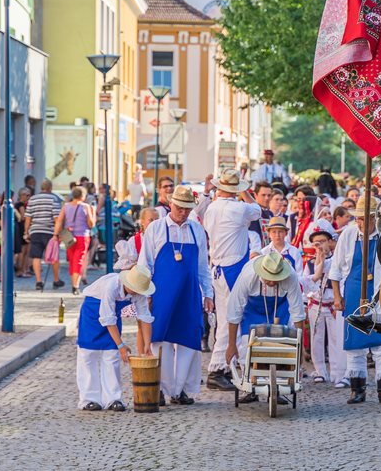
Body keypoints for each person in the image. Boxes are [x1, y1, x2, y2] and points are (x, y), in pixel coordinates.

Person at [142, 185, 214, 405]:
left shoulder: (197, 230)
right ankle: (161, 389)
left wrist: (208, 293)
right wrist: (145, 293)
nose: (183, 212)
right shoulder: (155, 228)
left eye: (187, 208)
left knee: (188, 339)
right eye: (179, 207)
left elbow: (203, 265)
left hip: (189, 291)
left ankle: (180, 389)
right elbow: (145, 263)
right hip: (161, 292)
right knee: (159, 339)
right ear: (171, 204)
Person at [200, 168, 261, 393]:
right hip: (233, 267)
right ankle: (219, 369)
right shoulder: (238, 207)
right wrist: (245, 191)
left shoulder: (212, 208)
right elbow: (257, 211)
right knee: (231, 318)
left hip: (218, 266)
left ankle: (223, 366)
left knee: (226, 318)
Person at [330, 207, 381, 404]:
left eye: (365, 219)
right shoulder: (348, 235)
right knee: (355, 344)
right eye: (358, 219)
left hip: (378, 293)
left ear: (374, 218)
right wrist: (337, 296)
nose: (361, 223)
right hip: (353, 292)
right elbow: (335, 268)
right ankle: (357, 389)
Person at [224, 249, 308, 404]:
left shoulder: (291, 277)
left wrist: (299, 347)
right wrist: (231, 345)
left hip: (279, 308)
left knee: (282, 347)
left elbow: (297, 312)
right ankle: (251, 383)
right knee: (246, 347)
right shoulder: (248, 275)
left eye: (275, 278)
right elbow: (234, 310)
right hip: (253, 309)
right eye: (268, 278)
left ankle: (278, 387)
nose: (271, 281)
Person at [75, 262, 155, 413]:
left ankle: (113, 398)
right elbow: (107, 317)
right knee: (88, 355)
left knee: (111, 356)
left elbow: (145, 317)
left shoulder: (138, 292)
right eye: (136, 290)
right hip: (92, 312)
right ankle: (88, 399)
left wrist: (147, 345)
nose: (137, 293)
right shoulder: (111, 286)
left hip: (112, 316)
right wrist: (121, 345)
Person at [304, 226, 345, 387]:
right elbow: (308, 281)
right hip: (316, 303)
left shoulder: (336, 260)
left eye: (322, 242)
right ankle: (320, 370)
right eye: (316, 243)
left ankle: (337, 372)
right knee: (317, 339)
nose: (319, 246)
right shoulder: (311, 263)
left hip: (332, 304)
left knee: (335, 339)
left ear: (329, 242)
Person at [26, 180, 64, 291]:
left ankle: (38, 281)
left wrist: (26, 231)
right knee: (54, 256)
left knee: (36, 256)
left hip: (35, 231)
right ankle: (56, 280)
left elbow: (28, 217)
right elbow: (57, 218)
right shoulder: (53, 199)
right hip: (50, 232)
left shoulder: (32, 199)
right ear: (50, 188)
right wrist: (58, 233)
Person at [57, 186, 95, 294]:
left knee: (72, 259)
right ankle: (75, 285)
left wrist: (56, 234)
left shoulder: (66, 206)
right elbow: (91, 224)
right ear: (83, 196)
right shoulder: (86, 207)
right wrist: (92, 212)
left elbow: (59, 221)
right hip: (82, 236)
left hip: (69, 236)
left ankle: (74, 283)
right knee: (79, 259)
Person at [12, 188, 31, 278]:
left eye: (29, 195)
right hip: (22, 229)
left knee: (26, 251)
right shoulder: (20, 205)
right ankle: (20, 270)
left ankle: (24, 269)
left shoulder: (23, 204)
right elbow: (23, 217)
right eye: (27, 195)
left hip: (24, 229)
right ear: (21, 195)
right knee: (22, 251)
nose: (28, 197)